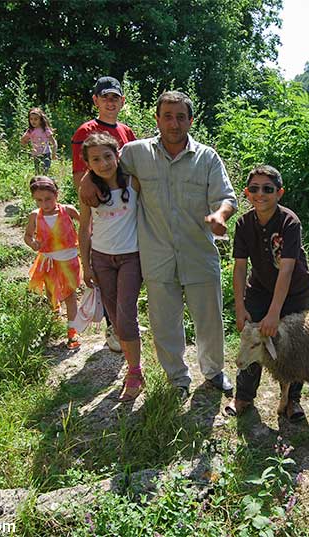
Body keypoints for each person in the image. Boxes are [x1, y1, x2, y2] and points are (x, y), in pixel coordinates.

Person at [80, 90, 237, 401]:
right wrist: (86, 177)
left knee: (209, 319)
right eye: (168, 116)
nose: (174, 123)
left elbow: (227, 198)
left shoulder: (206, 157)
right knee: (165, 323)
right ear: (157, 119)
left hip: (199, 253)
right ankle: (177, 378)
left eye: (181, 116)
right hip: (157, 255)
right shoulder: (137, 153)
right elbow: (104, 161)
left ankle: (214, 371)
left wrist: (220, 215)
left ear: (191, 120)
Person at [224, 165, 309, 420]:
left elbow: (286, 270)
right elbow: (240, 268)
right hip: (260, 288)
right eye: (254, 189)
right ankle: (243, 396)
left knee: (295, 345)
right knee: (251, 336)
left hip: (295, 291)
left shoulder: (289, 222)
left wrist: (274, 314)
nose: (260, 194)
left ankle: (292, 400)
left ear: (279, 193)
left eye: (267, 189)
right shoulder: (243, 223)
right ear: (246, 193)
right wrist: (240, 306)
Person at [71, 76, 137, 352]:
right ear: (95, 100)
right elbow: (79, 173)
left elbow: (134, 166)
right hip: (101, 209)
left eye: (115, 98)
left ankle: (124, 322)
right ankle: (113, 327)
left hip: (126, 209)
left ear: (122, 101)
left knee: (128, 280)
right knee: (107, 274)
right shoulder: (86, 130)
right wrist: (88, 184)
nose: (110, 103)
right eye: (104, 97)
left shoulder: (127, 131)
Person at [78, 133, 144, 402]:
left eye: (108, 156)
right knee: (116, 321)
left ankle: (134, 373)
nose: (103, 163)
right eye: (96, 159)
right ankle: (132, 366)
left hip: (131, 258)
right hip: (102, 259)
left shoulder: (133, 182)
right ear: (88, 164)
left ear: (117, 156)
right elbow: (84, 229)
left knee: (126, 316)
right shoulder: (88, 192)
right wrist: (86, 264)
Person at [24, 176, 82, 349]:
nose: (44, 203)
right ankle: (55, 313)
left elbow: (86, 224)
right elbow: (28, 235)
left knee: (70, 295)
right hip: (48, 262)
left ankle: (73, 331)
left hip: (69, 260)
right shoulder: (35, 215)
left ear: (56, 194)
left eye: (48, 199)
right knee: (51, 292)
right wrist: (33, 243)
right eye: (39, 200)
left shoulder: (68, 211)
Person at [20, 107, 57, 174]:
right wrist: (25, 146)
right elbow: (23, 140)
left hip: (46, 154)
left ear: (40, 120)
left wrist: (54, 154)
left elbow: (54, 142)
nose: (33, 121)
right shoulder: (30, 131)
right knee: (37, 173)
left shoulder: (45, 129)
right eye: (31, 119)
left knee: (44, 172)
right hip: (36, 155)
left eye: (36, 119)